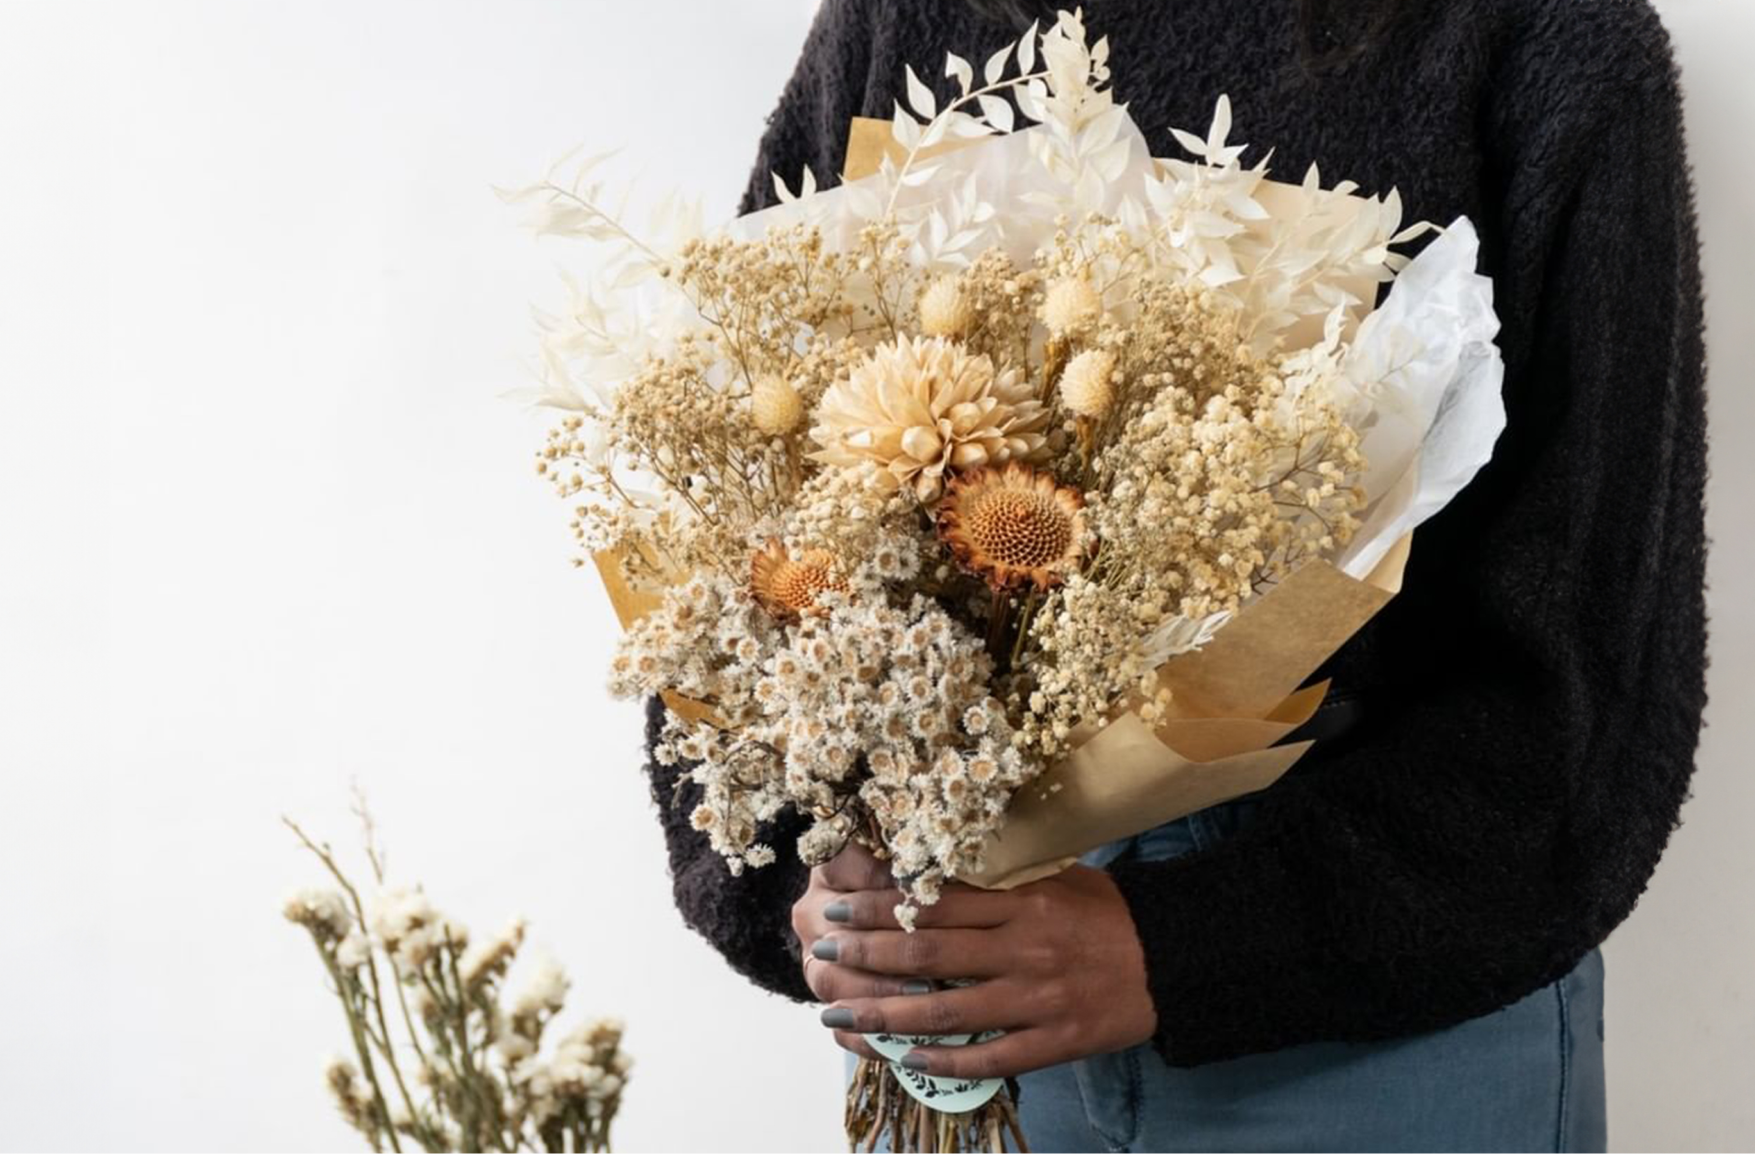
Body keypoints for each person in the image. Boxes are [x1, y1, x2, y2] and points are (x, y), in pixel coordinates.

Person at [642, 0, 1710, 1149]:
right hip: (962, 999)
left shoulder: (1538, 35)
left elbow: (1588, 687)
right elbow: (733, 526)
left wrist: (1186, 939)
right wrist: (807, 872)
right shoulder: (906, 20)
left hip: (1384, 1037)